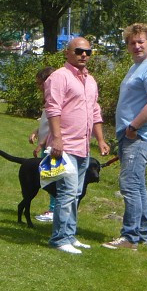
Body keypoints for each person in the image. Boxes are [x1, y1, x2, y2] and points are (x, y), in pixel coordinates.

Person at [103, 23, 147, 250]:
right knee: (137, 185)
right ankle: (143, 235)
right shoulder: (137, 66)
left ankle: (130, 237)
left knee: (129, 184)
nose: (137, 46)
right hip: (131, 134)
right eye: (132, 43)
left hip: (139, 136)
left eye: (141, 42)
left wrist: (133, 127)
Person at [45, 36, 110, 254]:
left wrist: (100, 139)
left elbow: (95, 111)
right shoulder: (59, 77)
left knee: (76, 192)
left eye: (88, 52)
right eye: (79, 51)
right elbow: (53, 109)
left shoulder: (90, 81)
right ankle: (59, 238)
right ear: (67, 53)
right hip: (65, 145)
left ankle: (70, 235)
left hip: (83, 146)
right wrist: (56, 138)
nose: (84, 55)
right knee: (67, 191)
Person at [28, 66, 57, 222]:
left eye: (41, 83)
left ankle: (54, 210)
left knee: (52, 176)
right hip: (46, 142)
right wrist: (36, 131)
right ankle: (53, 208)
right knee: (46, 176)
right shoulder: (48, 98)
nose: (39, 87)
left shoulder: (56, 98)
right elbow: (46, 122)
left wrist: (41, 144)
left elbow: (55, 126)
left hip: (52, 144)